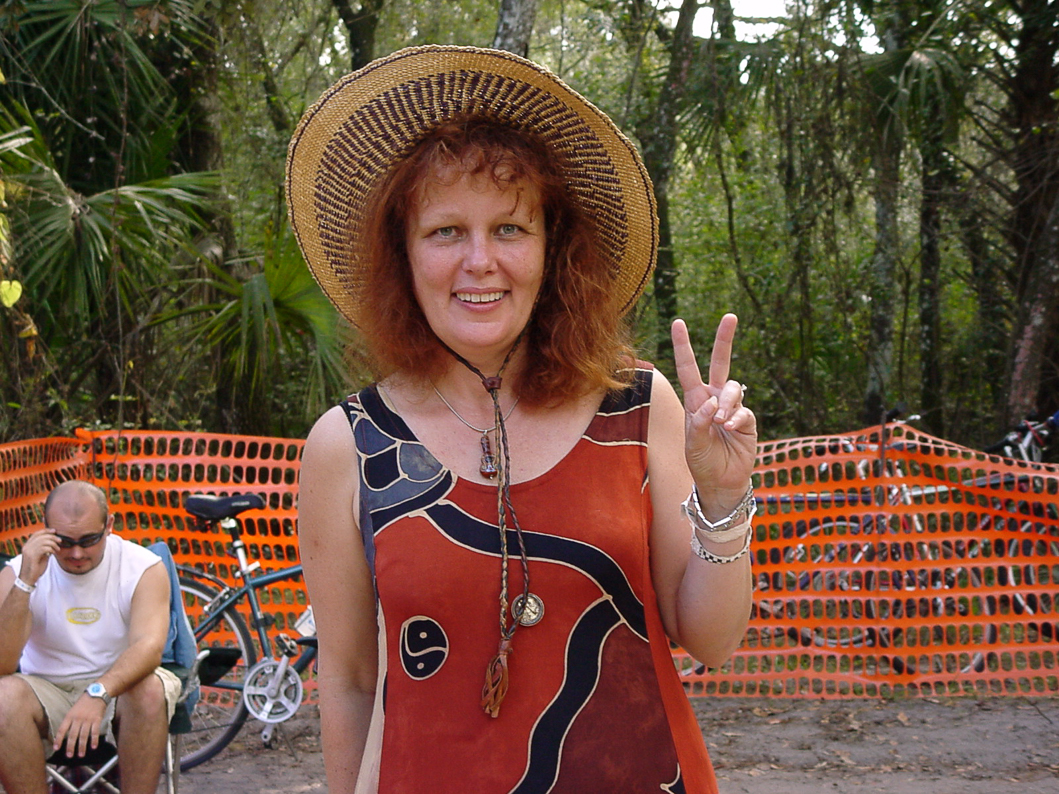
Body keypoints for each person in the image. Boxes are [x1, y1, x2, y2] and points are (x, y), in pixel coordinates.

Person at [291, 45, 757, 794]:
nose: (480, 260)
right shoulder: (347, 444)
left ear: (553, 249)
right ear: (402, 255)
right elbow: (347, 680)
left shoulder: (637, 406)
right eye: (445, 231)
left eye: (509, 229)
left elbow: (712, 639)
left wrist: (724, 499)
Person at [0, 480, 181, 794]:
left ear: (109, 525)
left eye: (89, 540)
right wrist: (26, 582)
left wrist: (99, 692)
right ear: (45, 530)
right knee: (1, 698)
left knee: (150, 689)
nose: (76, 553)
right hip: (46, 690)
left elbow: (149, 648)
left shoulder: (142, 567)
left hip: (120, 690)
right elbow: (2, 663)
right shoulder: (17, 573)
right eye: (64, 541)